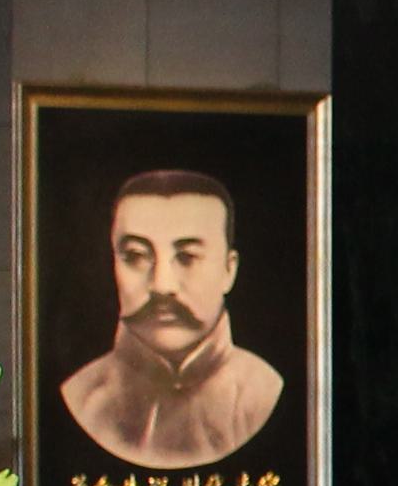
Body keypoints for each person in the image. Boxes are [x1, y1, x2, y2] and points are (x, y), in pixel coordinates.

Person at [58, 168, 290, 469]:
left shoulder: (263, 392)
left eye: (187, 257)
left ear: (229, 270)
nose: (162, 285)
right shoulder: (82, 397)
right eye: (136, 256)